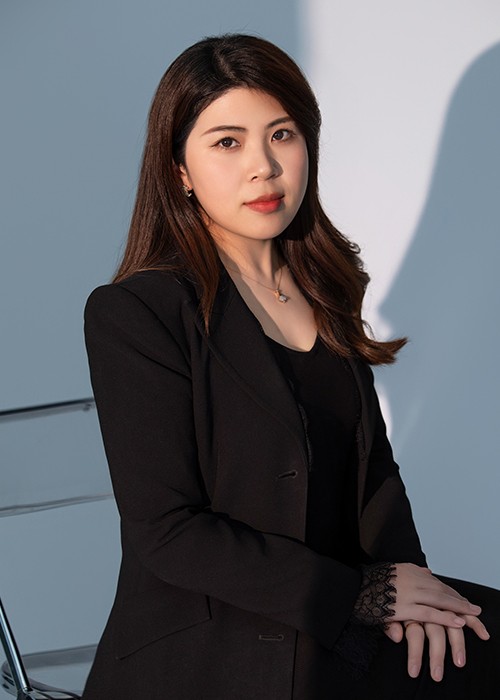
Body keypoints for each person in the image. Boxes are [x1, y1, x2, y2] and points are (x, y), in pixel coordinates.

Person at [82, 34, 498, 699]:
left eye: (281, 134)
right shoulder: (137, 311)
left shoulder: (324, 291)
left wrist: (410, 584)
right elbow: (168, 531)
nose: (264, 167)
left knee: (479, 636)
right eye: (227, 142)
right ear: (179, 169)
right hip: (214, 645)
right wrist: (362, 595)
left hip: (333, 630)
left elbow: (373, 475)